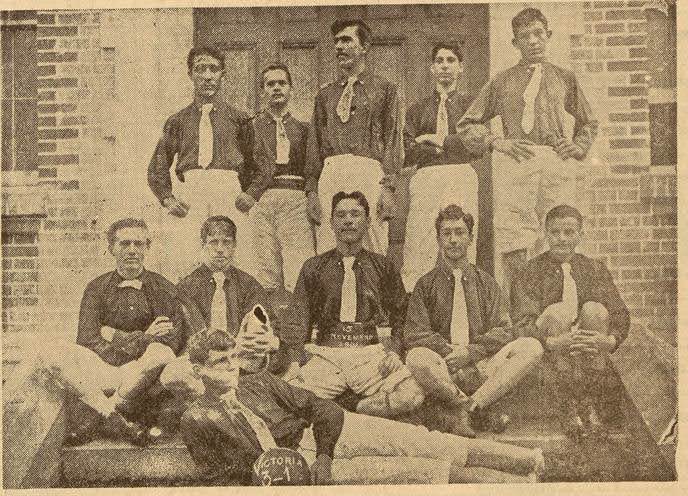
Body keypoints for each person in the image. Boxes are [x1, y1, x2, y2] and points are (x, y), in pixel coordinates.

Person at [180, 329, 545, 485]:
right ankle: (517, 486)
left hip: (326, 435)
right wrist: (289, 475)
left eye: (232, 358)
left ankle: (531, 463)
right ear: (198, 370)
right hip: (296, 464)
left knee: (427, 442)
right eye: (218, 363)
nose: (230, 368)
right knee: (416, 472)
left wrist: (324, 454)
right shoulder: (197, 418)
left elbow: (322, 408)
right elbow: (221, 478)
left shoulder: (257, 382)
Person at [456, 7, 598, 302]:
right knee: (514, 236)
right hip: (517, 160)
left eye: (538, 34)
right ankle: (518, 312)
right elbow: (467, 124)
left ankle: (557, 306)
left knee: (558, 229)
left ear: (548, 36)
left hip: (554, 161)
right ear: (515, 43)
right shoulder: (502, 80)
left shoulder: (564, 78)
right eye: (525, 36)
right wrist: (497, 141)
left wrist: (578, 146)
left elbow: (588, 121)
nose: (533, 41)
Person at [36, 218, 184, 446]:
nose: (132, 250)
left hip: (147, 372)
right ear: (111, 248)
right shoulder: (96, 288)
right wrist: (140, 341)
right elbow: (87, 339)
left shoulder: (163, 287)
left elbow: (170, 340)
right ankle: (113, 416)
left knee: (160, 353)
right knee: (52, 353)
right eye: (124, 244)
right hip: (106, 368)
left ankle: (101, 415)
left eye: (138, 243)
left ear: (147, 247)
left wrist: (114, 335)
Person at [404, 205, 544, 438]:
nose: (453, 240)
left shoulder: (486, 283)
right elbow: (415, 333)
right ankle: (469, 408)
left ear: (470, 238)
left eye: (459, 233)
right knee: (416, 357)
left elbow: (505, 330)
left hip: (481, 363)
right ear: (438, 239)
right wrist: (448, 352)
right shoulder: (425, 284)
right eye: (446, 234)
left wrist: (471, 352)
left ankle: (468, 407)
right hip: (444, 366)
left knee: (531, 347)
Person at [282, 191, 423, 419]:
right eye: (341, 215)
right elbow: (298, 317)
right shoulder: (314, 267)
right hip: (326, 355)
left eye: (355, 214)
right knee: (287, 397)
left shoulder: (382, 266)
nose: (348, 220)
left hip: (369, 355)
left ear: (367, 222)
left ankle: (350, 407)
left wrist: (395, 352)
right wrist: (296, 361)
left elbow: (401, 314)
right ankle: (347, 407)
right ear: (331, 223)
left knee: (412, 394)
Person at [510, 205, 630, 437]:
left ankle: (590, 405)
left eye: (569, 232)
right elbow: (522, 322)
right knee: (558, 312)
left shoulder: (594, 269)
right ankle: (568, 409)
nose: (562, 239)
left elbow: (619, 313)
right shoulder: (529, 271)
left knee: (595, 310)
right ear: (545, 235)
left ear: (580, 235)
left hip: (586, 344)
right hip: (552, 343)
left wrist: (610, 341)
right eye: (555, 233)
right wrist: (551, 342)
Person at [148, 46, 255, 282]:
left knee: (235, 257)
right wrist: (168, 199)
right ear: (190, 74)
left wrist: (250, 194)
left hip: (228, 188)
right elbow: (157, 166)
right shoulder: (177, 120)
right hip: (193, 189)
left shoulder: (240, 118)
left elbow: (259, 163)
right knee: (187, 256)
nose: (207, 76)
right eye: (200, 69)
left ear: (223, 74)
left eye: (214, 69)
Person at [160, 215, 279, 411]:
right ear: (203, 244)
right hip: (204, 360)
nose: (220, 249)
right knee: (174, 373)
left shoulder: (248, 285)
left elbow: (268, 323)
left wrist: (269, 339)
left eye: (227, 242)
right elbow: (187, 333)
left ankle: (228, 404)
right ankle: (225, 406)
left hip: (239, 357)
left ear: (234, 246)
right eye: (213, 242)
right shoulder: (187, 286)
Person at [306, 19, 401, 255]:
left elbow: (392, 139)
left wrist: (389, 188)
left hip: (369, 171)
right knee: (329, 244)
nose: (339, 47)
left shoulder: (385, 88)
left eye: (347, 40)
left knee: (374, 244)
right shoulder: (325, 94)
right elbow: (314, 145)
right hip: (332, 172)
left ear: (364, 46)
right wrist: (312, 192)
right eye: (337, 42)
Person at [401, 42, 478, 290]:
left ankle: (462, 298)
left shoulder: (471, 107)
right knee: (420, 238)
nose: (445, 66)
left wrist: (439, 140)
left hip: (461, 174)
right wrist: (444, 147)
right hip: (427, 177)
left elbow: (476, 144)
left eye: (451, 60)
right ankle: (414, 301)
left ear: (461, 68)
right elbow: (409, 148)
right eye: (440, 61)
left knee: (461, 236)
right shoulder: (417, 109)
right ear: (432, 68)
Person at [238, 63, 315, 295]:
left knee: (298, 264)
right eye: (270, 84)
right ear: (263, 91)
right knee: (263, 265)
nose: (277, 88)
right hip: (261, 199)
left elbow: (311, 167)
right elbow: (242, 166)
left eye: (282, 83)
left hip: (295, 198)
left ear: (291, 89)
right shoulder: (251, 127)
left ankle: (298, 323)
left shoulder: (303, 129)